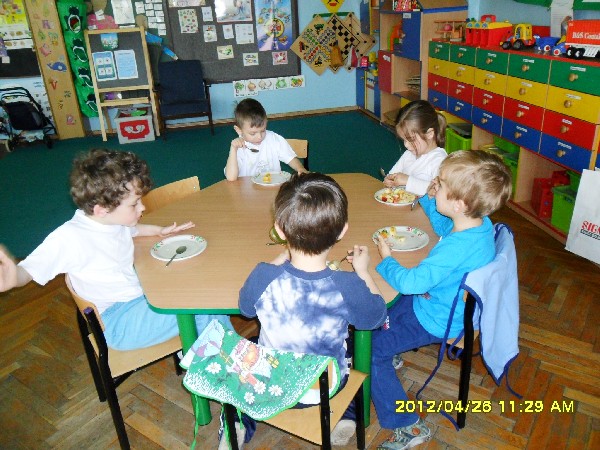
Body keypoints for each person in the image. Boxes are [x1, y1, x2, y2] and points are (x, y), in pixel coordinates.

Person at [0, 149, 231, 351]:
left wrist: (159, 231)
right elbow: (29, 271)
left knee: (201, 293)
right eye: (134, 204)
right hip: (118, 321)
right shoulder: (70, 238)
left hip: (140, 297)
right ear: (101, 209)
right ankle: (228, 367)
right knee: (202, 306)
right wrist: (13, 277)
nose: (142, 207)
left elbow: (133, 230)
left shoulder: (110, 220)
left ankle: (211, 353)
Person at [235, 172, 387, 448]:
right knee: (349, 349)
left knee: (249, 349)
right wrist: (363, 272)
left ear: (280, 230)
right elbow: (376, 317)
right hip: (323, 387)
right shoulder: (347, 285)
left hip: (272, 382)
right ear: (342, 232)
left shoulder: (263, 275)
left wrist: (282, 255)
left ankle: (239, 423)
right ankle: (346, 414)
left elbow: (245, 309)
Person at [372, 150, 512, 450]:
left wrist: (386, 260)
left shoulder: (456, 249)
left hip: (436, 318)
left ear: (458, 204)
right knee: (382, 311)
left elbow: (411, 283)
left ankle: (407, 425)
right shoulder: (477, 225)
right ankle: (391, 349)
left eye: (441, 182)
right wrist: (428, 197)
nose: (435, 182)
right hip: (442, 303)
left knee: (371, 349)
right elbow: (444, 227)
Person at [224, 98, 308, 181]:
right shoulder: (239, 146)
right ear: (239, 130)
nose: (259, 137)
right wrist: (233, 148)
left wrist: (300, 168)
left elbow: (290, 158)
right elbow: (231, 178)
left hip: (273, 187)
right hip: (247, 189)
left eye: (263, 130)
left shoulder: (273, 138)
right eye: (253, 133)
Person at [383, 100, 448, 196]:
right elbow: (393, 174)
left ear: (429, 134)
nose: (406, 145)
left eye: (411, 139)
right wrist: (389, 180)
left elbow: (438, 191)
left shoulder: (440, 160)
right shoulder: (408, 154)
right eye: (404, 140)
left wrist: (407, 181)